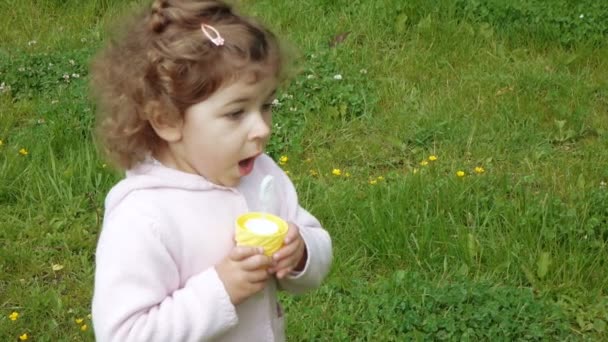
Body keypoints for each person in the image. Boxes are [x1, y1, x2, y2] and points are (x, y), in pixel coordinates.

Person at [89, 0, 332, 340]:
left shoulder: (261, 177)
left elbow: (315, 240)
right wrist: (220, 291)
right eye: (236, 113)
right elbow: (124, 333)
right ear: (167, 120)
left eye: (266, 106)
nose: (261, 128)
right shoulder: (145, 217)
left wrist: (302, 251)